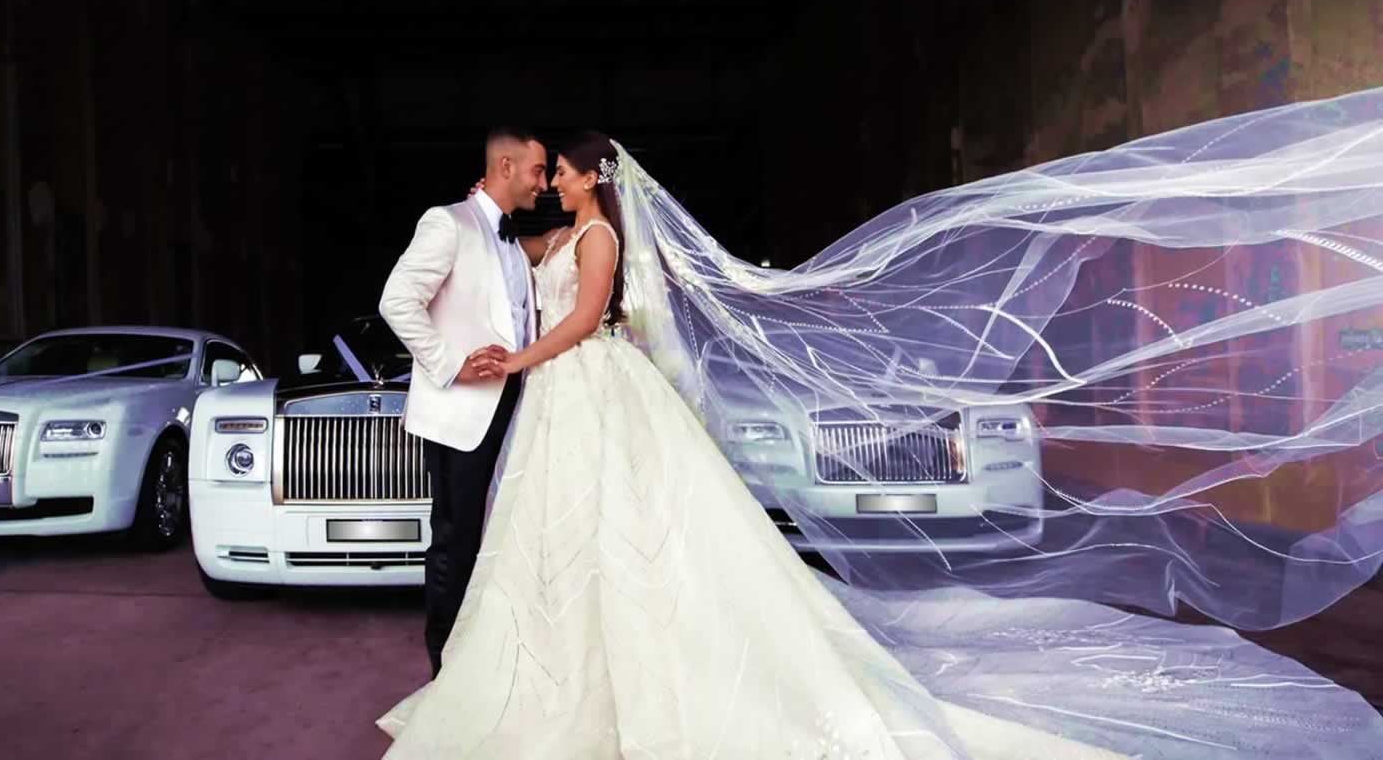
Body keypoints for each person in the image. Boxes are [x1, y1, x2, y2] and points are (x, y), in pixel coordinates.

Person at [377, 119, 1383, 758]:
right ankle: (545, 668)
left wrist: (516, 359)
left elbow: (586, 318)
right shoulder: (551, 234)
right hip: (566, 401)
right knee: (559, 544)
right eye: (539, 171)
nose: (546, 179)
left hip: (581, 389)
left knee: (622, 540)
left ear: (596, 176)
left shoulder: (599, 238)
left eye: (557, 169)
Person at [377, 125, 547, 675]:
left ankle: (486, 662)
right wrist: (452, 364)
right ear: (505, 168)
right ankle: (446, 672)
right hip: (460, 413)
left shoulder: (513, 244)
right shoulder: (447, 222)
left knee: (499, 536)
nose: (542, 183)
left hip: (513, 410)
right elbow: (397, 301)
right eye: (537, 171)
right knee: (456, 541)